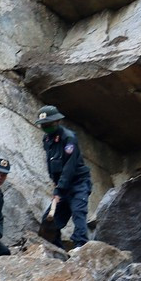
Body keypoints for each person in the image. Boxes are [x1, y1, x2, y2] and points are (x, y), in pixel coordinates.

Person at [38, 105, 91, 248]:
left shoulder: (69, 138)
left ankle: (81, 248)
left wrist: (59, 189)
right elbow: (52, 163)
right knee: (49, 222)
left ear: (57, 121)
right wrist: (57, 185)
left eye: (48, 124)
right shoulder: (47, 140)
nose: (46, 127)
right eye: (43, 124)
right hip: (62, 187)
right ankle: (57, 251)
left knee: (78, 213)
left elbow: (69, 167)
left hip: (78, 183)